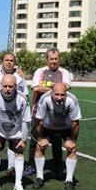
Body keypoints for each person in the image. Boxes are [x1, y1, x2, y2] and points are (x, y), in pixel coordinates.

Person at [27, 48, 71, 178]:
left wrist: (46, 86)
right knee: (34, 140)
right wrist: (55, 87)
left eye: (56, 59)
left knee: (56, 141)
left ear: (59, 59)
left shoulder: (64, 72)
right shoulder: (40, 71)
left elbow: (66, 87)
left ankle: (57, 168)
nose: (54, 61)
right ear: (47, 59)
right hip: (38, 112)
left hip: (57, 114)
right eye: (51, 59)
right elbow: (36, 88)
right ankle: (31, 165)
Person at [0, 74, 31, 190]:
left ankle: (18, 184)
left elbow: (26, 120)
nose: (7, 89)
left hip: (17, 132)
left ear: (15, 86)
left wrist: (24, 139)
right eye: (5, 86)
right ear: (1, 86)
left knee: (19, 155)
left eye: (11, 86)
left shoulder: (22, 99)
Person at [33, 83, 81, 190]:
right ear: (51, 93)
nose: (59, 97)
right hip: (49, 127)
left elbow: (75, 123)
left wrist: (72, 141)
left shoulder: (72, 100)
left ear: (66, 94)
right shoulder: (45, 99)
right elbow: (39, 121)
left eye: (62, 95)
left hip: (66, 128)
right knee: (39, 147)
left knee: (72, 149)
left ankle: (69, 181)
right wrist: (41, 139)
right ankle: (39, 178)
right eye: (57, 94)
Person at [0, 52, 28, 177]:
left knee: (13, 139)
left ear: (14, 63)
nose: (9, 62)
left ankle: (11, 167)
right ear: (2, 61)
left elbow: (25, 95)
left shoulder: (19, 78)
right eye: (6, 60)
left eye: (11, 60)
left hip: (13, 114)